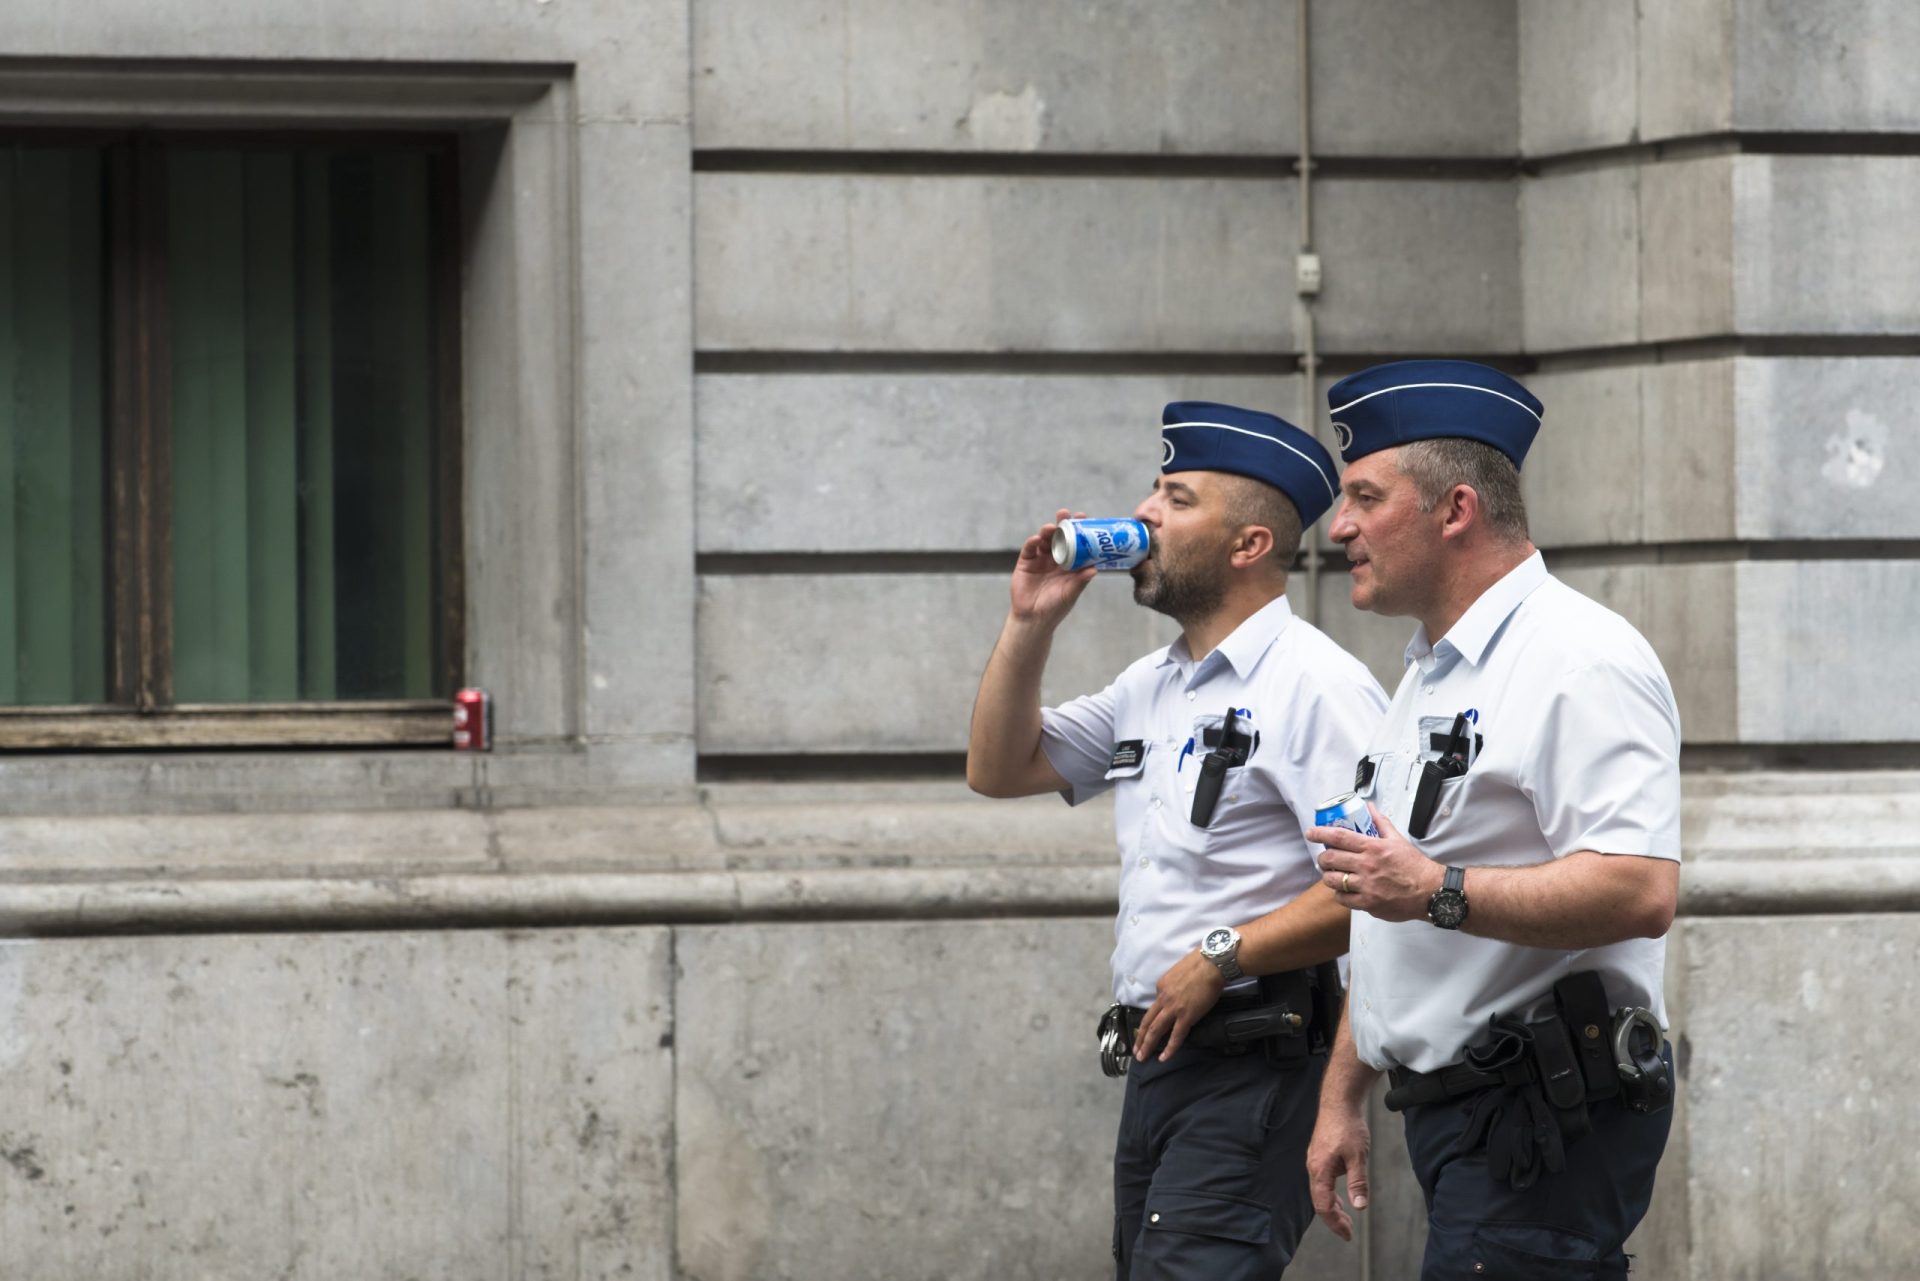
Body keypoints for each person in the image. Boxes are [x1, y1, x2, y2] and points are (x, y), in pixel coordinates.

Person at [967, 401, 1388, 1279]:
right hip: (1161, 1064)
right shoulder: (1151, 684)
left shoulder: (1316, 686)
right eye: (1154, 492)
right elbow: (999, 766)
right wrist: (1031, 620)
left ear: (1248, 546)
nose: (1147, 513)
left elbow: (1377, 888)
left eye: (1179, 498)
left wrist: (1224, 955)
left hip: (1257, 1060)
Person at [1302, 360, 1682, 1280]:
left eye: (1363, 495)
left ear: (1456, 509)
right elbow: (1383, 897)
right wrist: (1344, 1089)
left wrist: (1436, 889)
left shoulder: (1580, 659)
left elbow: (1639, 886)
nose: (1339, 524)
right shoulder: (1433, 669)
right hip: (1462, 1116)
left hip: (1541, 1118)